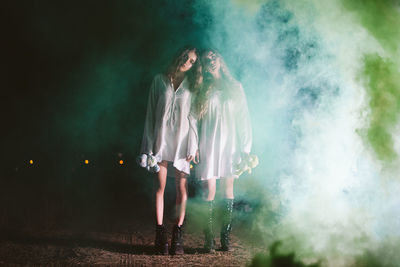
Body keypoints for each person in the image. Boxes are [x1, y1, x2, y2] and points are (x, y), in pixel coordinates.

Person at [140, 46, 202, 255]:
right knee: (160, 187)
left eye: (192, 61)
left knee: (181, 189)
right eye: (186, 57)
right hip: (161, 141)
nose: (187, 61)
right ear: (179, 55)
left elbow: (193, 118)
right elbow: (150, 114)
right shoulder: (159, 80)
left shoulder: (192, 86)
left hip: (182, 142)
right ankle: (160, 236)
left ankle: (178, 235)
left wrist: (194, 145)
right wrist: (148, 147)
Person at [193, 49, 252, 252]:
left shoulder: (235, 87)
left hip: (230, 144)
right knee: (208, 190)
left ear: (220, 58)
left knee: (227, 190)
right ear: (203, 64)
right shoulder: (201, 88)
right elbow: (194, 120)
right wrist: (194, 145)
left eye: (214, 56)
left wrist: (245, 148)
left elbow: (244, 118)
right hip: (208, 142)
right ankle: (208, 240)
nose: (212, 60)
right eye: (207, 58)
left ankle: (225, 238)